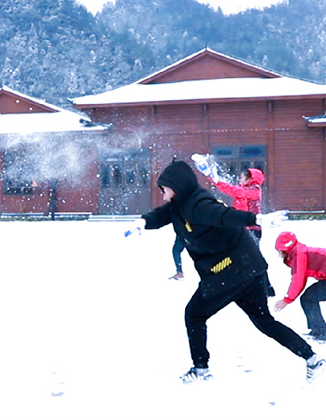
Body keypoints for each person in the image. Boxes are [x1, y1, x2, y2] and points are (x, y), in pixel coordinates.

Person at [124, 160, 325, 384]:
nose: (162, 195)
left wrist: (255, 219)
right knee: (264, 321)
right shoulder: (180, 204)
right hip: (249, 269)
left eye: (164, 190)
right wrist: (143, 221)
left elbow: (223, 215)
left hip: (230, 272)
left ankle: (201, 369)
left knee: (194, 314)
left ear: (177, 186)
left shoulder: (199, 204)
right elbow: (164, 213)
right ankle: (312, 359)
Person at [208, 167, 275, 295]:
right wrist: (213, 178)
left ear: (251, 179)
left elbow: (234, 191)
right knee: (244, 258)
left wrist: (216, 181)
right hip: (242, 229)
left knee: (253, 259)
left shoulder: (254, 191)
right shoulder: (244, 190)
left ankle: (265, 287)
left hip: (251, 230)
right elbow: (231, 193)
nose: (240, 178)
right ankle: (258, 287)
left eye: (243, 177)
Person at [274, 231, 326, 340]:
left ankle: (321, 332)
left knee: (309, 299)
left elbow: (298, 280)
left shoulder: (299, 255)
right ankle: (319, 330)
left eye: (280, 251)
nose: (279, 254)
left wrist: (287, 300)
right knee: (309, 298)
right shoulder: (298, 251)